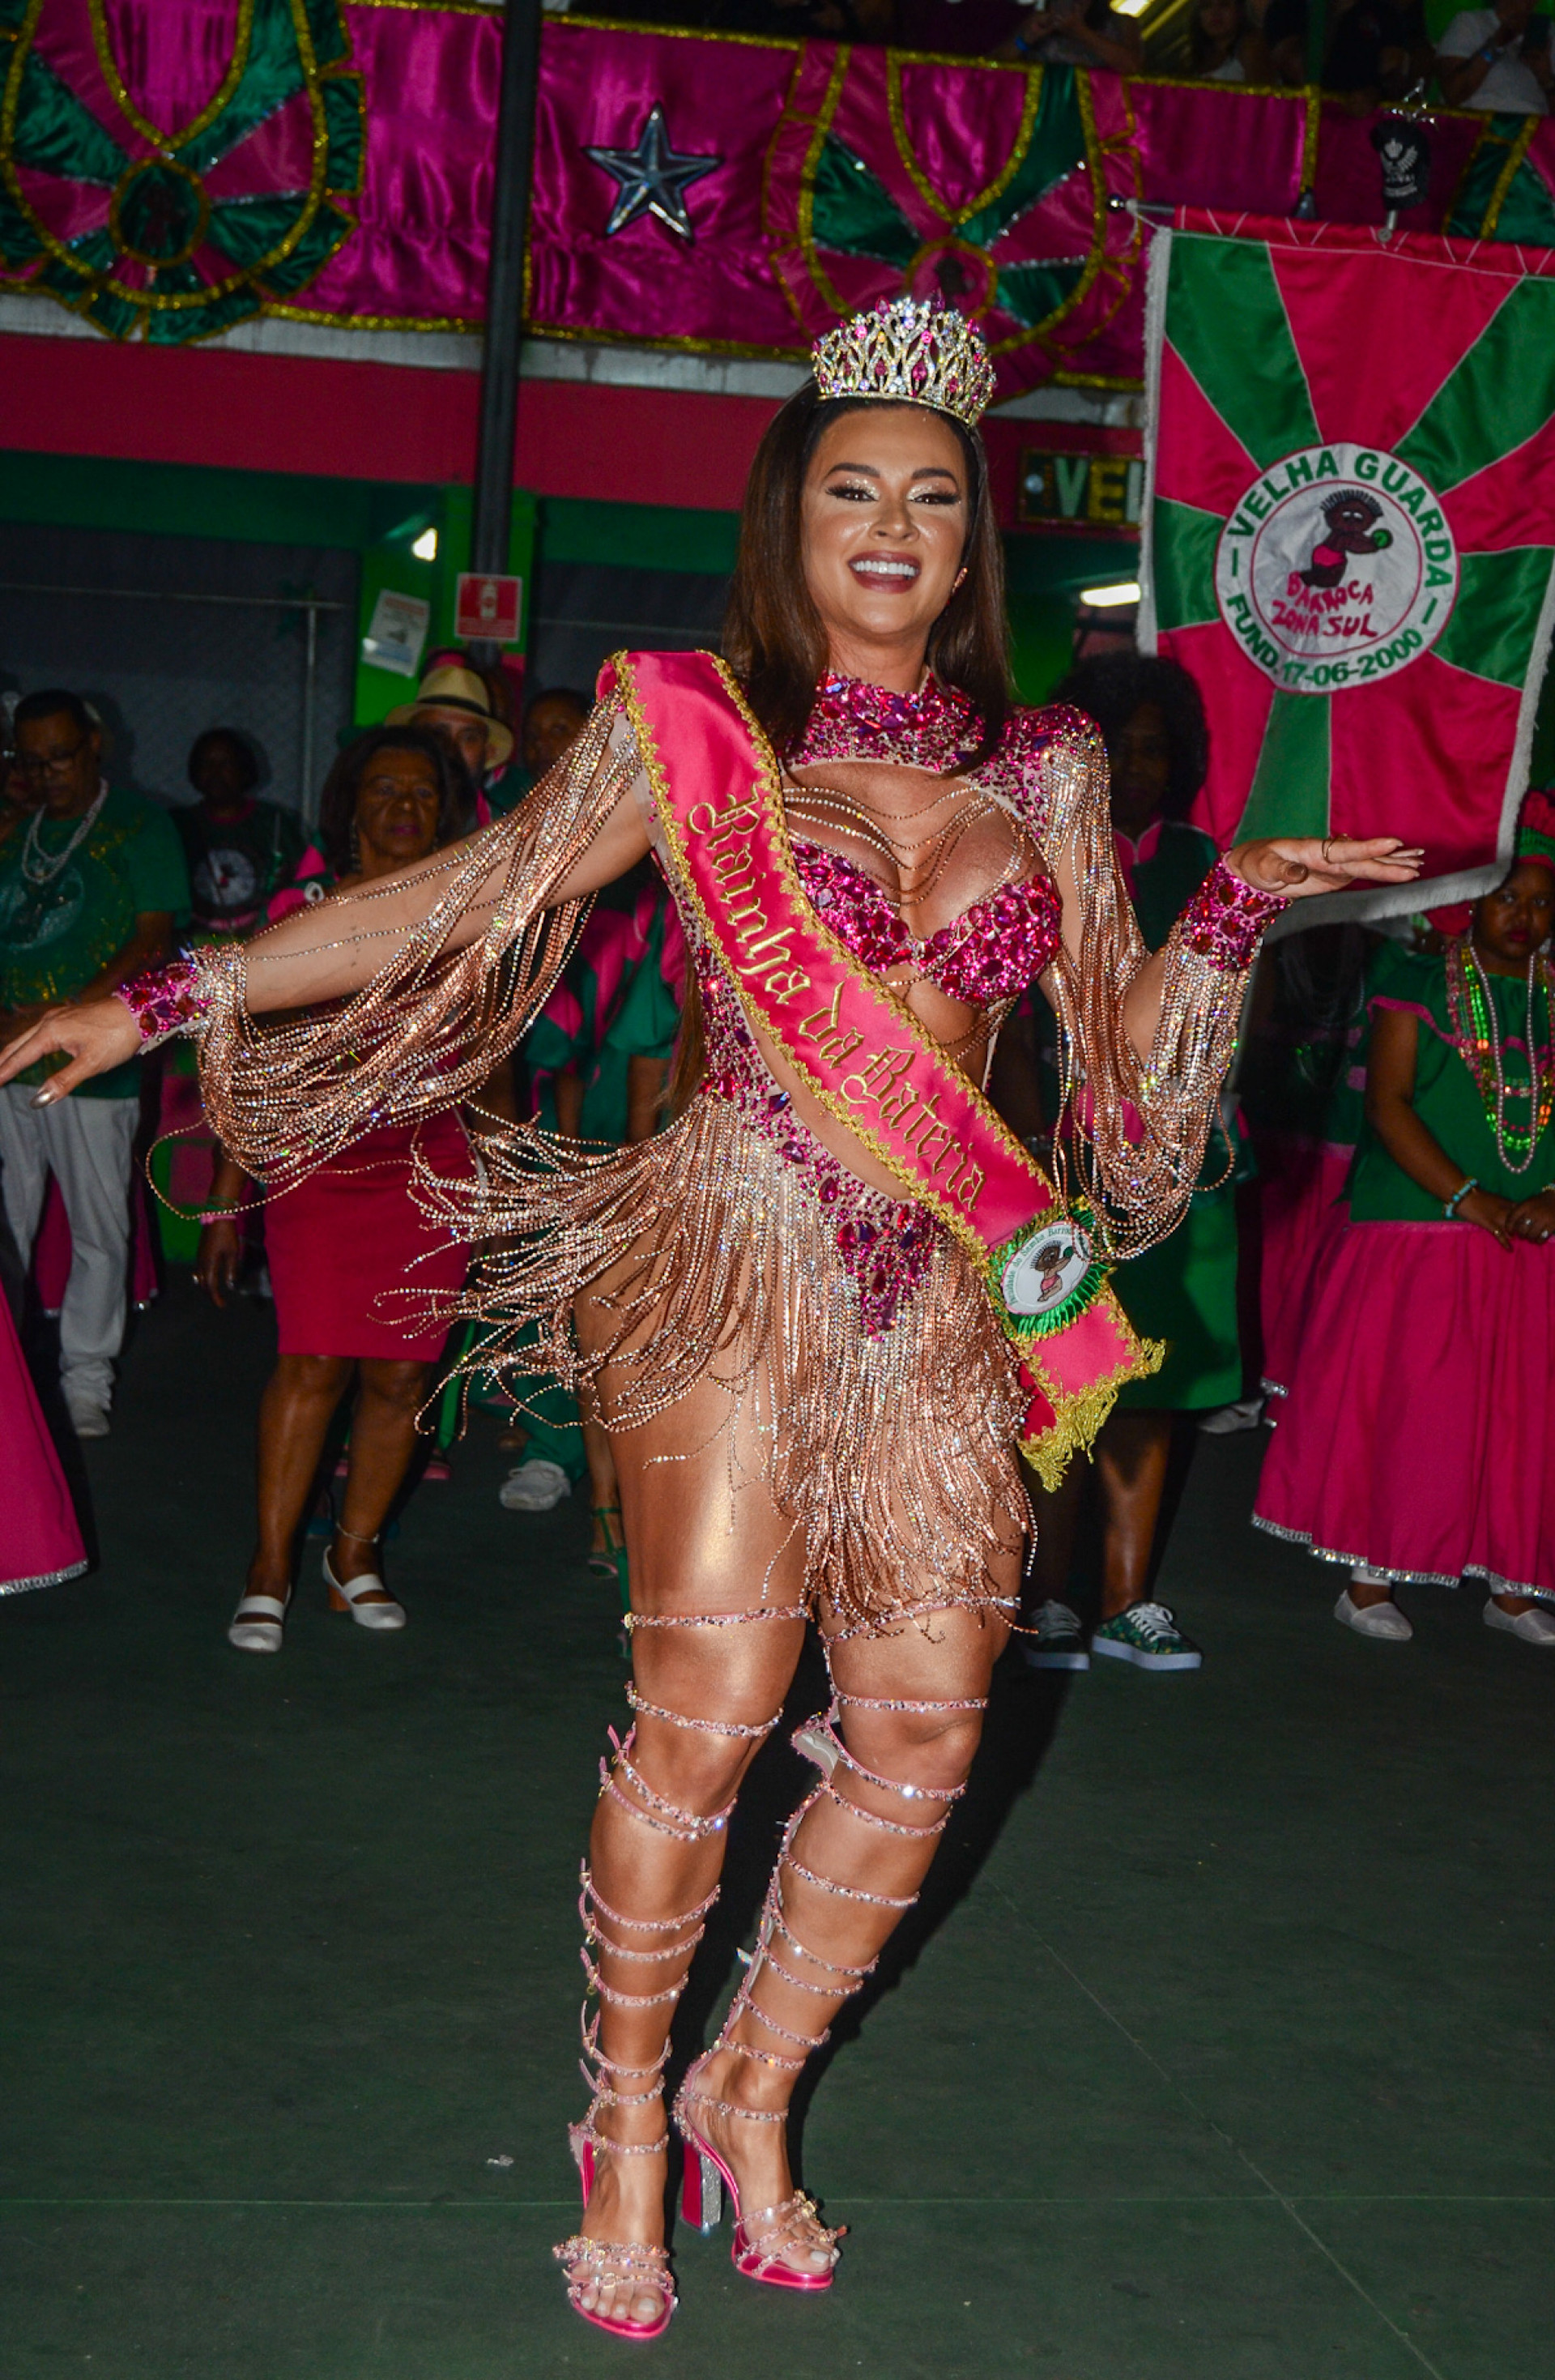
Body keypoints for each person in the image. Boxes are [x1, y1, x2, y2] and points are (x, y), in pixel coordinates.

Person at [1, 298, 1421, 2340]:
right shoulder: (689, 727)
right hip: (733, 1257)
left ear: (971, 540)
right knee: (709, 1707)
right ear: (790, 518)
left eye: (933, 497)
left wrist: (1232, 910)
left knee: (925, 1722)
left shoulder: (1043, 762)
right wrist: (166, 993)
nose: (894, 526)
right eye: (854, 488)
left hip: (944, 1290)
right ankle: (622, 2118)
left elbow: (1117, 1081)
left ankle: (750, 2085)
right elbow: (464, 893)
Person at [196, 727, 474, 1653]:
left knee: (402, 1374)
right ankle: (270, 1565)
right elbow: (251, 1058)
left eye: (422, 792)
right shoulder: (302, 910)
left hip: (432, 1166)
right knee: (313, 1362)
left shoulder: (474, 914)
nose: (404, 806)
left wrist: (502, 1186)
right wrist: (229, 1196)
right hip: (316, 1163)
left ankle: (353, 1556)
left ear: (445, 810)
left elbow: (492, 1064)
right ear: (350, 807)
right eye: (384, 789)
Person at [1255, 814, 1555, 1644]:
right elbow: (1388, 1106)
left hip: (1532, 1237)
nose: (1524, 916)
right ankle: (1368, 1577)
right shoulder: (1417, 981)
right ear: (1471, 902)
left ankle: (1515, 1585)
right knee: (1414, 1406)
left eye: (1542, 902)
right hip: (1422, 1227)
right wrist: (1468, 1198)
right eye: (1508, 897)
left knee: (1525, 1412)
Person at [1016, 653, 1246, 1674]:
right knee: (1057, 1371)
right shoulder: (1032, 850)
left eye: (1154, 749)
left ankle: (1125, 1601)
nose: (1136, 767)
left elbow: (1237, 999)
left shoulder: (1199, 860)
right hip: (1051, 1151)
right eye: (1116, 748)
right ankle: (1042, 1600)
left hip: (1172, 1157)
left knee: (1149, 1379)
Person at [0, 689, 188, 1436]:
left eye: (61, 756)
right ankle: (11, 1377)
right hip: (8, 1056)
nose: (47, 773)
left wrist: (60, 1014)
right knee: (6, 1224)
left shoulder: (139, 825)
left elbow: (154, 938)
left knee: (98, 1228)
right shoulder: (17, 834)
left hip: (94, 1063)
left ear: (95, 746)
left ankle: (86, 1379)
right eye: (30, 760)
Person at [175, 730, 305, 940]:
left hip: (264, 939)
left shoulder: (275, 822)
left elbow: (303, 877)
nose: (215, 772)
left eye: (225, 764)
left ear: (244, 770)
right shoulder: (180, 824)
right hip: (193, 943)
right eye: (206, 764)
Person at [387, 659, 512, 823]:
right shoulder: (378, 817)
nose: (451, 749)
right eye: (437, 733)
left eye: (468, 738)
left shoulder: (504, 828)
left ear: (488, 752)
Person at [1436, 0, 1552, 110]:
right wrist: (1496, 45)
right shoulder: (1469, 23)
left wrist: (1546, 79)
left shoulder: (1549, 33)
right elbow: (1453, 94)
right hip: (1477, 118)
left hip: (1533, 121)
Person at [999, 0, 1144, 67]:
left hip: (1101, 112)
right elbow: (994, 70)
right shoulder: (1033, 20)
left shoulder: (1120, 23)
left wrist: (1081, 32)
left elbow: (1133, 67)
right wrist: (1025, 39)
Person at [1186, 0, 1269, 79]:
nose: (1214, 13)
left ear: (1240, 10)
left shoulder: (1252, 47)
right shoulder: (1191, 55)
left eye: (1224, 5)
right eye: (1206, 6)